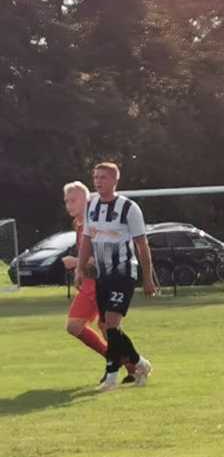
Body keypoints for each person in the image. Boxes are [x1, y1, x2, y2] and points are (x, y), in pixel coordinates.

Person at [79, 162, 154, 391]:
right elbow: (86, 240)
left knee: (111, 323)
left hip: (123, 272)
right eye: (96, 177)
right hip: (102, 275)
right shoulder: (90, 205)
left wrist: (148, 278)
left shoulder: (129, 208)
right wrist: (80, 270)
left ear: (114, 180)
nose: (98, 181)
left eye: (103, 177)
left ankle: (111, 377)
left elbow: (142, 245)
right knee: (108, 326)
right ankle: (140, 363)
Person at [60, 181, 119, 379]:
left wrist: (75, 262)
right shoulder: (79, 225)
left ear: (86, 201)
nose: (69, 205)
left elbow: (99, 260)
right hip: (90, 282)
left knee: (85, 326)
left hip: (98, 283)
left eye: (73, 200)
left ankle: (131, 363)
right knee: (103, 328)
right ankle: (131, 364)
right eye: (66, 201)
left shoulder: (93, 226)